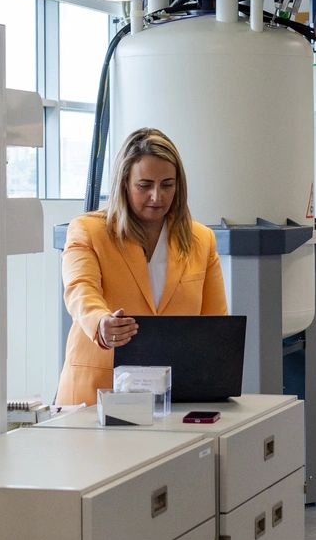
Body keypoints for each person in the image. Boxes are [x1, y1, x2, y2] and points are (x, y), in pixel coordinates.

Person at [58, 126, 227, 407]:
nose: (156, 197)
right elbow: (79, 289)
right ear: (124, 183)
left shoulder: (202, 240)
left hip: (175, 397)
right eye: (145, 185)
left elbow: (215, 326)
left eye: (167, 185)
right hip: (94, 397)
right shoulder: (88, 231)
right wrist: (101, 323)